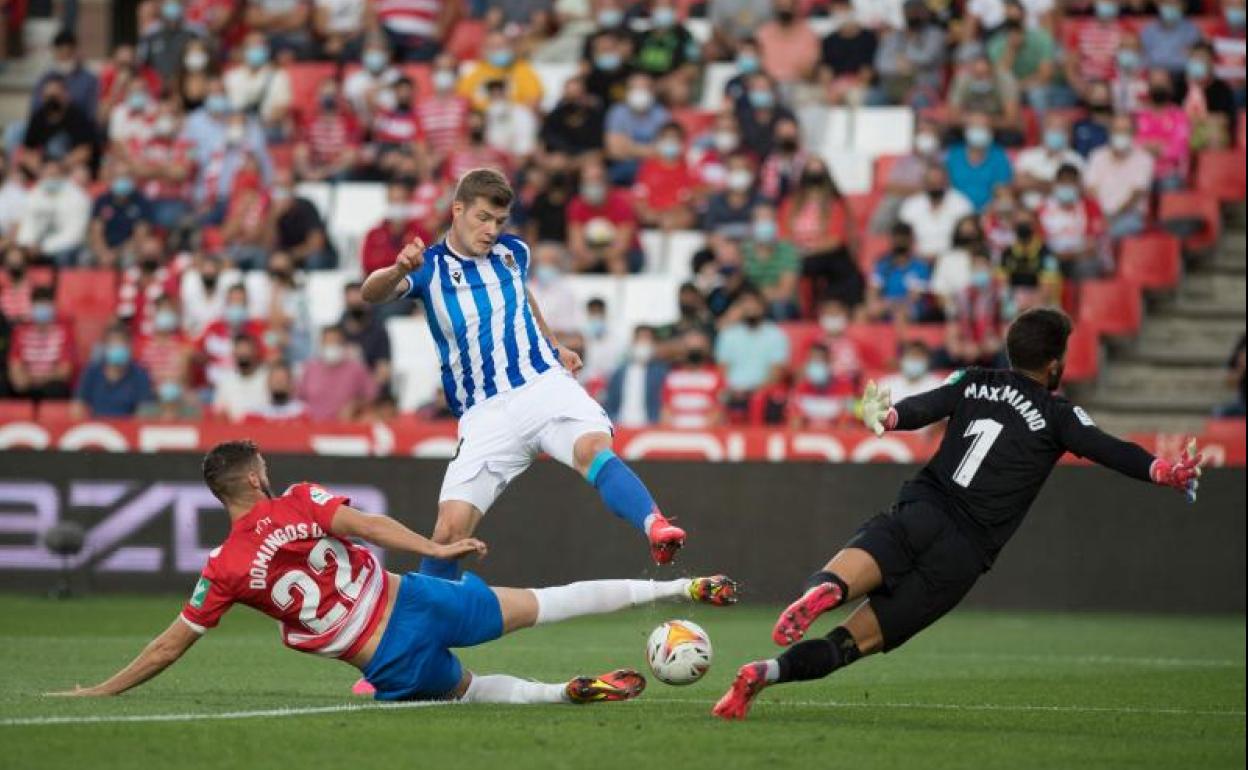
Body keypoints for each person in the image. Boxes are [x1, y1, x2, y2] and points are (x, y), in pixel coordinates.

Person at [712, 307, 1208, 720]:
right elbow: (1108, 448)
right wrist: (1165, 471)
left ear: (1011, 350)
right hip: (962, 553)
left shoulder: (973, 381)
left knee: (840, 579)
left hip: (921, 510)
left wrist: (888, 416)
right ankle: (763, 674)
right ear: (1055, 364)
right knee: (849, 644)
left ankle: (826, 591)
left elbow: (921, 408)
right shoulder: (1057, 415)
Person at [50, 440, 739, 703]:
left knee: (468, 694)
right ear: (255, 478)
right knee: (548, 602)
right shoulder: (301, 499)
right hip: (415, 599)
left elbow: (170, 645)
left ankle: (563, 693)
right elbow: (368, 527)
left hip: (385, 656)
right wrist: (434, 549)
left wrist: (101, 690)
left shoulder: (222, 568)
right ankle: (679, 586)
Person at [359, 168, 688, 578]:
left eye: (499, 221)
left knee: (592, 448)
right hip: (485, 413)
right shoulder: (430, 267)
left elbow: (520, 293)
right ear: (458, 210)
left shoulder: (513, 252)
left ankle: (656, 526)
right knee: (448, 533)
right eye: (483, 218)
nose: (491, 230)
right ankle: (421, 613)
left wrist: (553, 344)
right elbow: (371, 293)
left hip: (541, 384)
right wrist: (397, 269)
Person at [1085, 114, 1153, 240]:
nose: (1121, 134)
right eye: (1117, 130)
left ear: (1133, 133)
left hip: (1128, 214)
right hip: (1098, 214)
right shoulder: (1097, 156)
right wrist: (1100, 214)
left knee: (1117, 229)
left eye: (1125, 131)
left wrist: (1112, 217)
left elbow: (1136, 194)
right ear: (1110, 132)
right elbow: (1090, 189)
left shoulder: (1144, 159)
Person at [6, 287, 75, 402]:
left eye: (46, 305)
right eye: (38, 305)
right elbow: (14, 366)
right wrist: (21, 378)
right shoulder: (20, 332)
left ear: (53, 307)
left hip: (50, 385)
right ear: (31, 307)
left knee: (57, 389)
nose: (42, 309)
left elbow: (65, 371)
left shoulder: (65, 332)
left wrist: (37, 380)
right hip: (26, 385)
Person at [299, 326, 379, 421]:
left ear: (343, 344)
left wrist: (355, 405)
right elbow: (299, 398)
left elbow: (373, 395)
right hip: (314, 425)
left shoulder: (356, 368)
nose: (332, 345)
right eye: (328, 342)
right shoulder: (310, 368)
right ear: (321, 344)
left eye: (336, 342)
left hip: (346, 425)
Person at [72, 325, 154, 418]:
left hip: (128, 424)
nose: (117, 349)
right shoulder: (92, 372)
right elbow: (78, 405)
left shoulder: (140, 374)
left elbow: (146, 410)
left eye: (121, 345)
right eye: (113, 345)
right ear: (105, 348)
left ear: (130, 347)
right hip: (97, 423)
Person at [603, 325, 669, 428]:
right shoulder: (619, 373)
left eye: (647, 339)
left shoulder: (660, 373)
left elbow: (664, 402)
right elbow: (610, 402)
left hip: (648, 427)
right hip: (620, 425)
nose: (643, 343)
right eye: (639, 338)